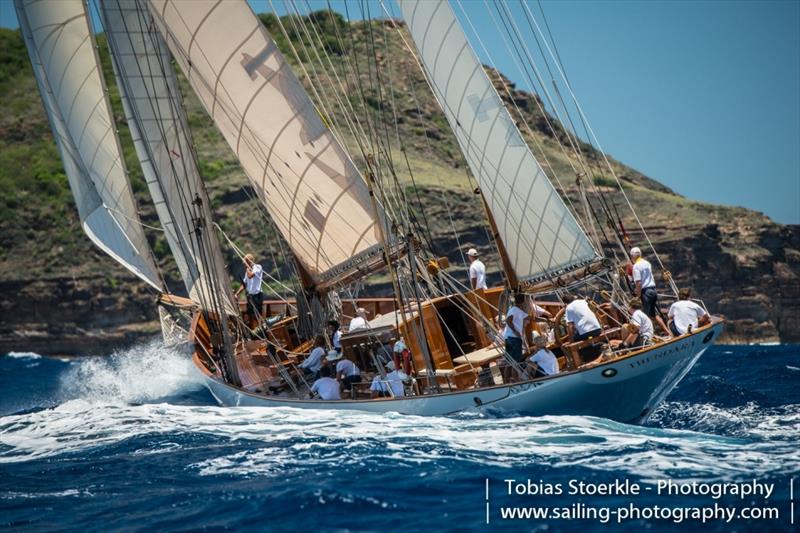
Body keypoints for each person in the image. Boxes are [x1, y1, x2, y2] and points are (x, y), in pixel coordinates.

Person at [630, 247, 669, 334]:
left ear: (633, 256)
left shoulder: (636, 266)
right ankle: (667, 331)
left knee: (645, 316)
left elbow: (638, 283)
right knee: (653, 315)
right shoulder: (647, 263)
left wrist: (638, 296)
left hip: (645, 292)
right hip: (653, 290)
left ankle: (650, 336)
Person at [502, 293, 530, 382]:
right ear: (524, 302)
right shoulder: (515, 310)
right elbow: (508, 320)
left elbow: (531, 318)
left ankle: (506, 380)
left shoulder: (516, 310)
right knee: (516, 362)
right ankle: (516, 380)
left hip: (509, 338)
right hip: (514, 339)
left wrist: (544, 319)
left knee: (509, 361)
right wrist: (516, 331)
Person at [234, 253, 263, 323]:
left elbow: (250, 275)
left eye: (246, 262)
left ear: (250, 261)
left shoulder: (258, 267)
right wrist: (237, 294)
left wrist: (247, 268)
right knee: (250, 314)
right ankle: (253, 329)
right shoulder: (247, 272)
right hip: (250, 296)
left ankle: (260, 329)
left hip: (257, 295)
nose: (244, 264)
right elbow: (244, 285)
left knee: (257, 315)